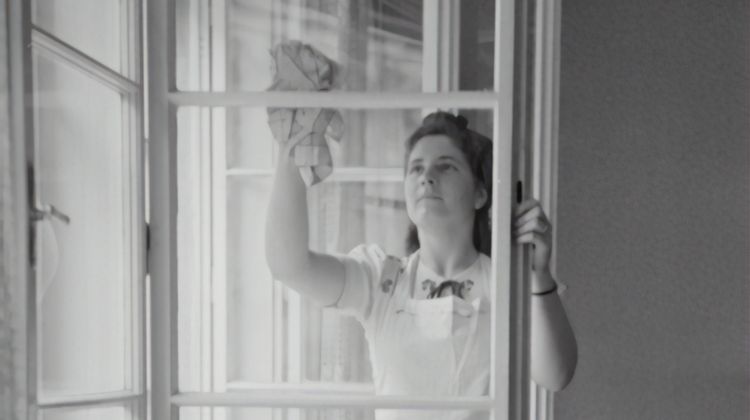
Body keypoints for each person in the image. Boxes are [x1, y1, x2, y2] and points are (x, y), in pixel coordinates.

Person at [265, 111, 577, 419]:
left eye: (446, 166)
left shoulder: (506, 285)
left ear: (480, 194)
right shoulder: (381, 280)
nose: (427, 177)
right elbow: (289, 266)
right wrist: (292, 147)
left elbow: (556, 375)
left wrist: (537, 275)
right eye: (416, 168)